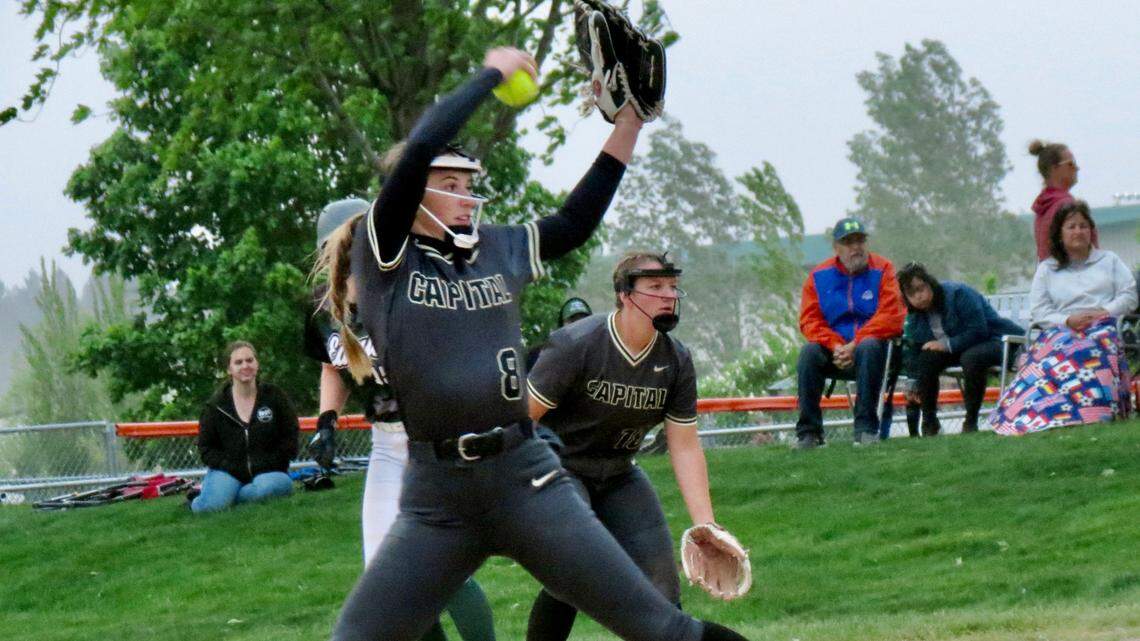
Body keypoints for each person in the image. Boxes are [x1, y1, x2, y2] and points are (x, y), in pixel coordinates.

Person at [331, 47, 749, 641]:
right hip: (437, 496)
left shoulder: (497, 249)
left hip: (523, 478)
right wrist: (491, 75)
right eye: (449, 184)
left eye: (468, 183)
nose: (465, 194)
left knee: (660, 628)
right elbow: (420, 146)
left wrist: (627, 126)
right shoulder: (386, 257)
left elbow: (574, 222)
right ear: (414, 195)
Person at [307, 201, 495, 641]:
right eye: (335, 250)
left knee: (443, 568)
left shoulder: (410, 287)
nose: (342, 259)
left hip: (436, 438)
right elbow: (333, 365)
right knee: (384, 573)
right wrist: (326, 421)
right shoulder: (324, 306)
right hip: (387, 444)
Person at [525, 252, 732, 641]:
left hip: (619, 473)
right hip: (562, 467)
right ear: (624, 294)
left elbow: (684, 446)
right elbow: (521, 420)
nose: (668, 295)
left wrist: (706, 525)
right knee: (573, 569)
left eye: (672, 286)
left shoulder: (676, 360)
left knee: (663, 593)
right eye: (655, 287)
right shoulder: (577, 343)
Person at [990, 200, 1136, 434]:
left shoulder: (1109, 261)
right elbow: (1040, 311)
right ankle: (1043, 412)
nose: (1078, 231)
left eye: (1083, 226)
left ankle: (1093, 412)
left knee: (1090, 347)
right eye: (1072, 226)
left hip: (1103, 324)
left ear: (1091, 231)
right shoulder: (1048, 269)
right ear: (1059, 234)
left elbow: (1129, 296)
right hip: (1062, 328)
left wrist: (1105, 312)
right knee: (1054, 353)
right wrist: (1068, 321)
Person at [795, 217, 906, 448]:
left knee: (869, 346)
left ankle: (865, 430)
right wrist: (836, 346)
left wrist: (854, 344)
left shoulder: (883, 269)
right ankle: (809, 433)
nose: (856, 247)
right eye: (848, 242)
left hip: (874, 350)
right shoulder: (818, 276)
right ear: (836, 248)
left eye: (860, 240)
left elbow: (892, 315)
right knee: (808, 353)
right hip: (836, 351)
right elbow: (809, 320)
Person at [896, 263, 1024, 435]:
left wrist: (946, 345)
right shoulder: (914, 317)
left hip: (994, 340)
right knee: (927, 358)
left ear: (930, 283)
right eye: (912, 293)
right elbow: (914, 349)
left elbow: (979, 330)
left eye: (921, 288)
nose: (919, 296)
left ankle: (971, 421)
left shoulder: (958, 294)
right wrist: (912, 383)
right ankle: (930, 423)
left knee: (971, 358)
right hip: (958, 349)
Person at [192, 341, 298, 513]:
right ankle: (198, 499)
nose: (245, 366)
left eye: (249, 360)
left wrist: (267, 463)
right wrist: (231, 466)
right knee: (210, 508)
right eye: (238, 362)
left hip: (269, 472)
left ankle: (232, 497)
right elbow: (206, 448)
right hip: (229, 472)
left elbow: (290, 438)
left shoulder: (275, 397)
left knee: (268, 489)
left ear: (257, 364)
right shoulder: (215, 406)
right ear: (229, 369)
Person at [1028, 139, 1097, 261]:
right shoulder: (1068, 206)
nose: (1076, 168)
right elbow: (1091, 255)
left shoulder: (1043, 207)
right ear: (1054, 168)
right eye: (1071, 164)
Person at [525, 296, 593, 371]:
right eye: (573, 320)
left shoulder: (600, 355)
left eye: (584, 320)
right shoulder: (542, 355)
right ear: (562, 325)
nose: (579, 325)